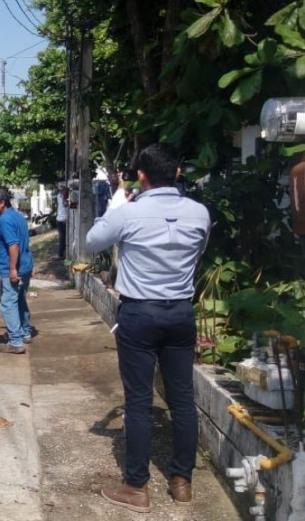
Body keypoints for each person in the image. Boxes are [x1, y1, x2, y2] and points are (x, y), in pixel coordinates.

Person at [86, 144, 210, 513]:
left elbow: (93, 240)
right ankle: (181, 481)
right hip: (180, 313)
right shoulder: (199, 213)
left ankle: (137, 486)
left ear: (140, 176)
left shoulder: (129, 213)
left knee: (139, 401)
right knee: (182, 399)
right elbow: (198, 251)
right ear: (177, 172)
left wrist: (116, 204)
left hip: (140, 313)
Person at [0, 189, 34, 354]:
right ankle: (25, 331)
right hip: (26, 266)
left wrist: (13, 269)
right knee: (19, 300)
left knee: (7, 304)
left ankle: (15, 341)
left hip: (13, 268)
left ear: (2, 203)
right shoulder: (18, 216)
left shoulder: (5, 220)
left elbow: (13, 245)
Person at [55, 184, 68, 260]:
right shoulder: (60, 197)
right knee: (62, 238)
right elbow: (65, 204)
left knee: (62, 238)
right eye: (60, 190)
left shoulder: (60, 196)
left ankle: (61, 254)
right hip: (61, 219)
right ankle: (61, 254)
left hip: (62, 219)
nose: (61, 192)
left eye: (62, 190)